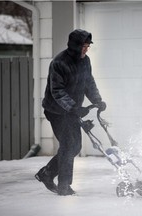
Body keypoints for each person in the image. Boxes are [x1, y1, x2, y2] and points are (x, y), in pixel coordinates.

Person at [35, 29, 106, 196]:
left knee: (75, 146)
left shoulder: (85, 61)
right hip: (57, 111)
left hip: (72, 111)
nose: (86, 49)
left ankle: (47, 173)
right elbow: (57, 91)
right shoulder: (59, 63)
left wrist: (97, 100)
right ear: (75, 46)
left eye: (88, 46)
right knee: (69, 146)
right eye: (83, 46)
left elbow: (89, 82)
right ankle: (64, 186)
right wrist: (73, 107)